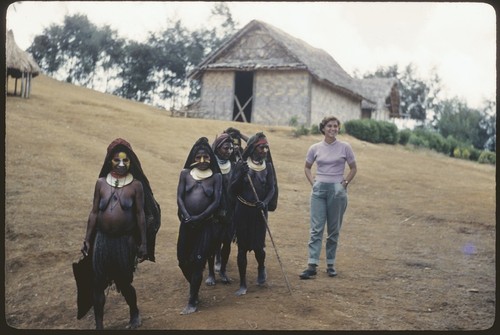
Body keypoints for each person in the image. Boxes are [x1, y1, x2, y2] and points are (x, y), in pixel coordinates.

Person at [82, 138, 161, 329]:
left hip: (123, 242)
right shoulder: (100, 183)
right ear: (110, 160)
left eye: (125, 160)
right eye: (117, 160)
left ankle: (134, 312)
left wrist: (143, 243)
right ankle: (99, 325)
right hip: (102, 241)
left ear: (131, 162)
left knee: (124, 283)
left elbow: (141, 215)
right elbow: (94, 213)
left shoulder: (136, 186)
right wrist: (87, 239)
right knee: (98, 283)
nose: (121, 164)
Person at [299, 116, 357, 279]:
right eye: (329, 126)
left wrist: (343, 184)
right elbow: (307, 167)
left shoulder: (345, 147)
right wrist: (314, 183)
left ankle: (330, 264)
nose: (333, 129)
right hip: (319, 191)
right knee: (316, 228)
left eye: (336, 126)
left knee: (333, 230)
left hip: (337, 192)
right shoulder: (315, 148)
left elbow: (353, 168)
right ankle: (312, 265)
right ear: (323, 128)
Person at [176, 137, 222, 314]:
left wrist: (201, 217)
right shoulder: (185, 174)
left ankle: (193, 299)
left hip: (205, 226)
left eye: (206, 157)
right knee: (182, 260)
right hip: (187, 224)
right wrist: (187, 216)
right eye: (199, 157)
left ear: (211, 158)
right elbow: (179, 197)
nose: (202, 161)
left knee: (198, 262)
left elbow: (216, 201)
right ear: (193, 158)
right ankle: (195, 283)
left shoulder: (216, 177)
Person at [230, 132, 276, 296]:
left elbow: (271, 189)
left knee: (259, 248)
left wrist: (264, 203)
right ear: (253, 149)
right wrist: (241, 174)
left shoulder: (268, 167)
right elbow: (232, 189)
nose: (264, 150)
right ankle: (243, 283)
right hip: (243, 211)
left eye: (266, 147)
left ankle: (261, 267)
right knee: (242, 249)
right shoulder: (242, 165)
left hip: (259, 212)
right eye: (261, 147)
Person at [205, 133, 236, 286]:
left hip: (229, 210)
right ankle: (211, 273)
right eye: (226, 148)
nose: (229, 151)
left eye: (231, 148)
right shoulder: (210, 165)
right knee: (212, 243)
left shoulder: (234, 166)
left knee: (227, 242)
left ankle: (222, 269)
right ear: (217, 148)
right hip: (213, 211)